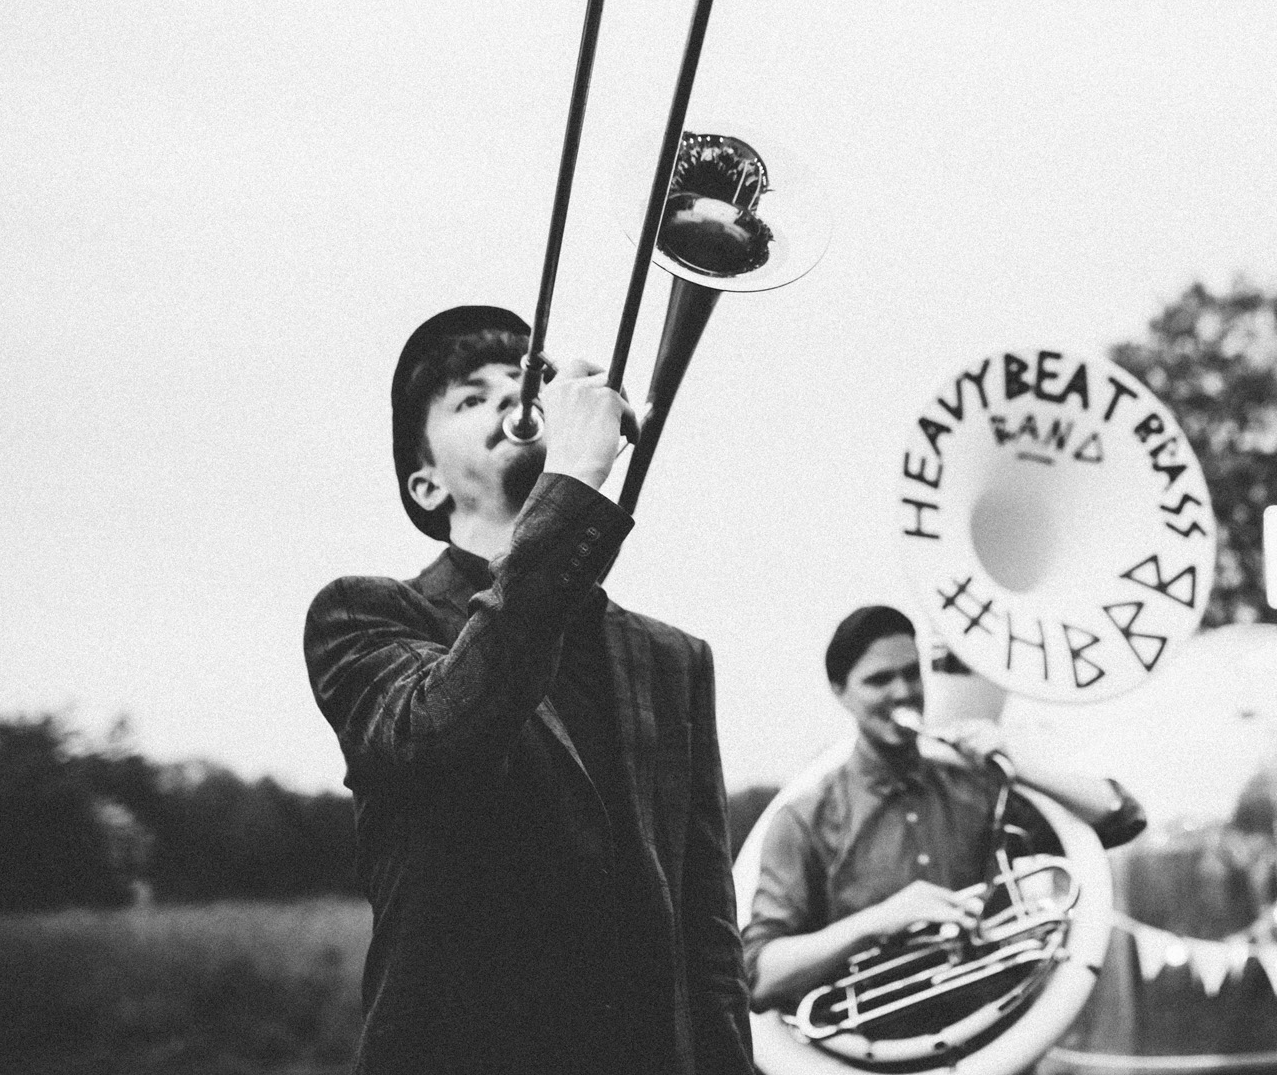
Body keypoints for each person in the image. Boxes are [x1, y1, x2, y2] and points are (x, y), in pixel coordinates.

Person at [303, 306, 753, 1075]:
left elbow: (707, 936)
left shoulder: (677, 659)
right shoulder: (363, 615)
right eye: (471, 398)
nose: (515, 399)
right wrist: (574, 480)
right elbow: (438, 736)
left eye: (525, 381)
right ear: (425, 481)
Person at [741, 606, 1148, 1011]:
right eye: (879, 680)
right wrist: (879, 921)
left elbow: (1121, 818)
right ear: (839, 690)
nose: (903, 692)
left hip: (999, 1045)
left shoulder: (977, 784)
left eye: (911, 672)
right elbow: (758, 975)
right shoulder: (801, 820)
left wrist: (1017, 764)